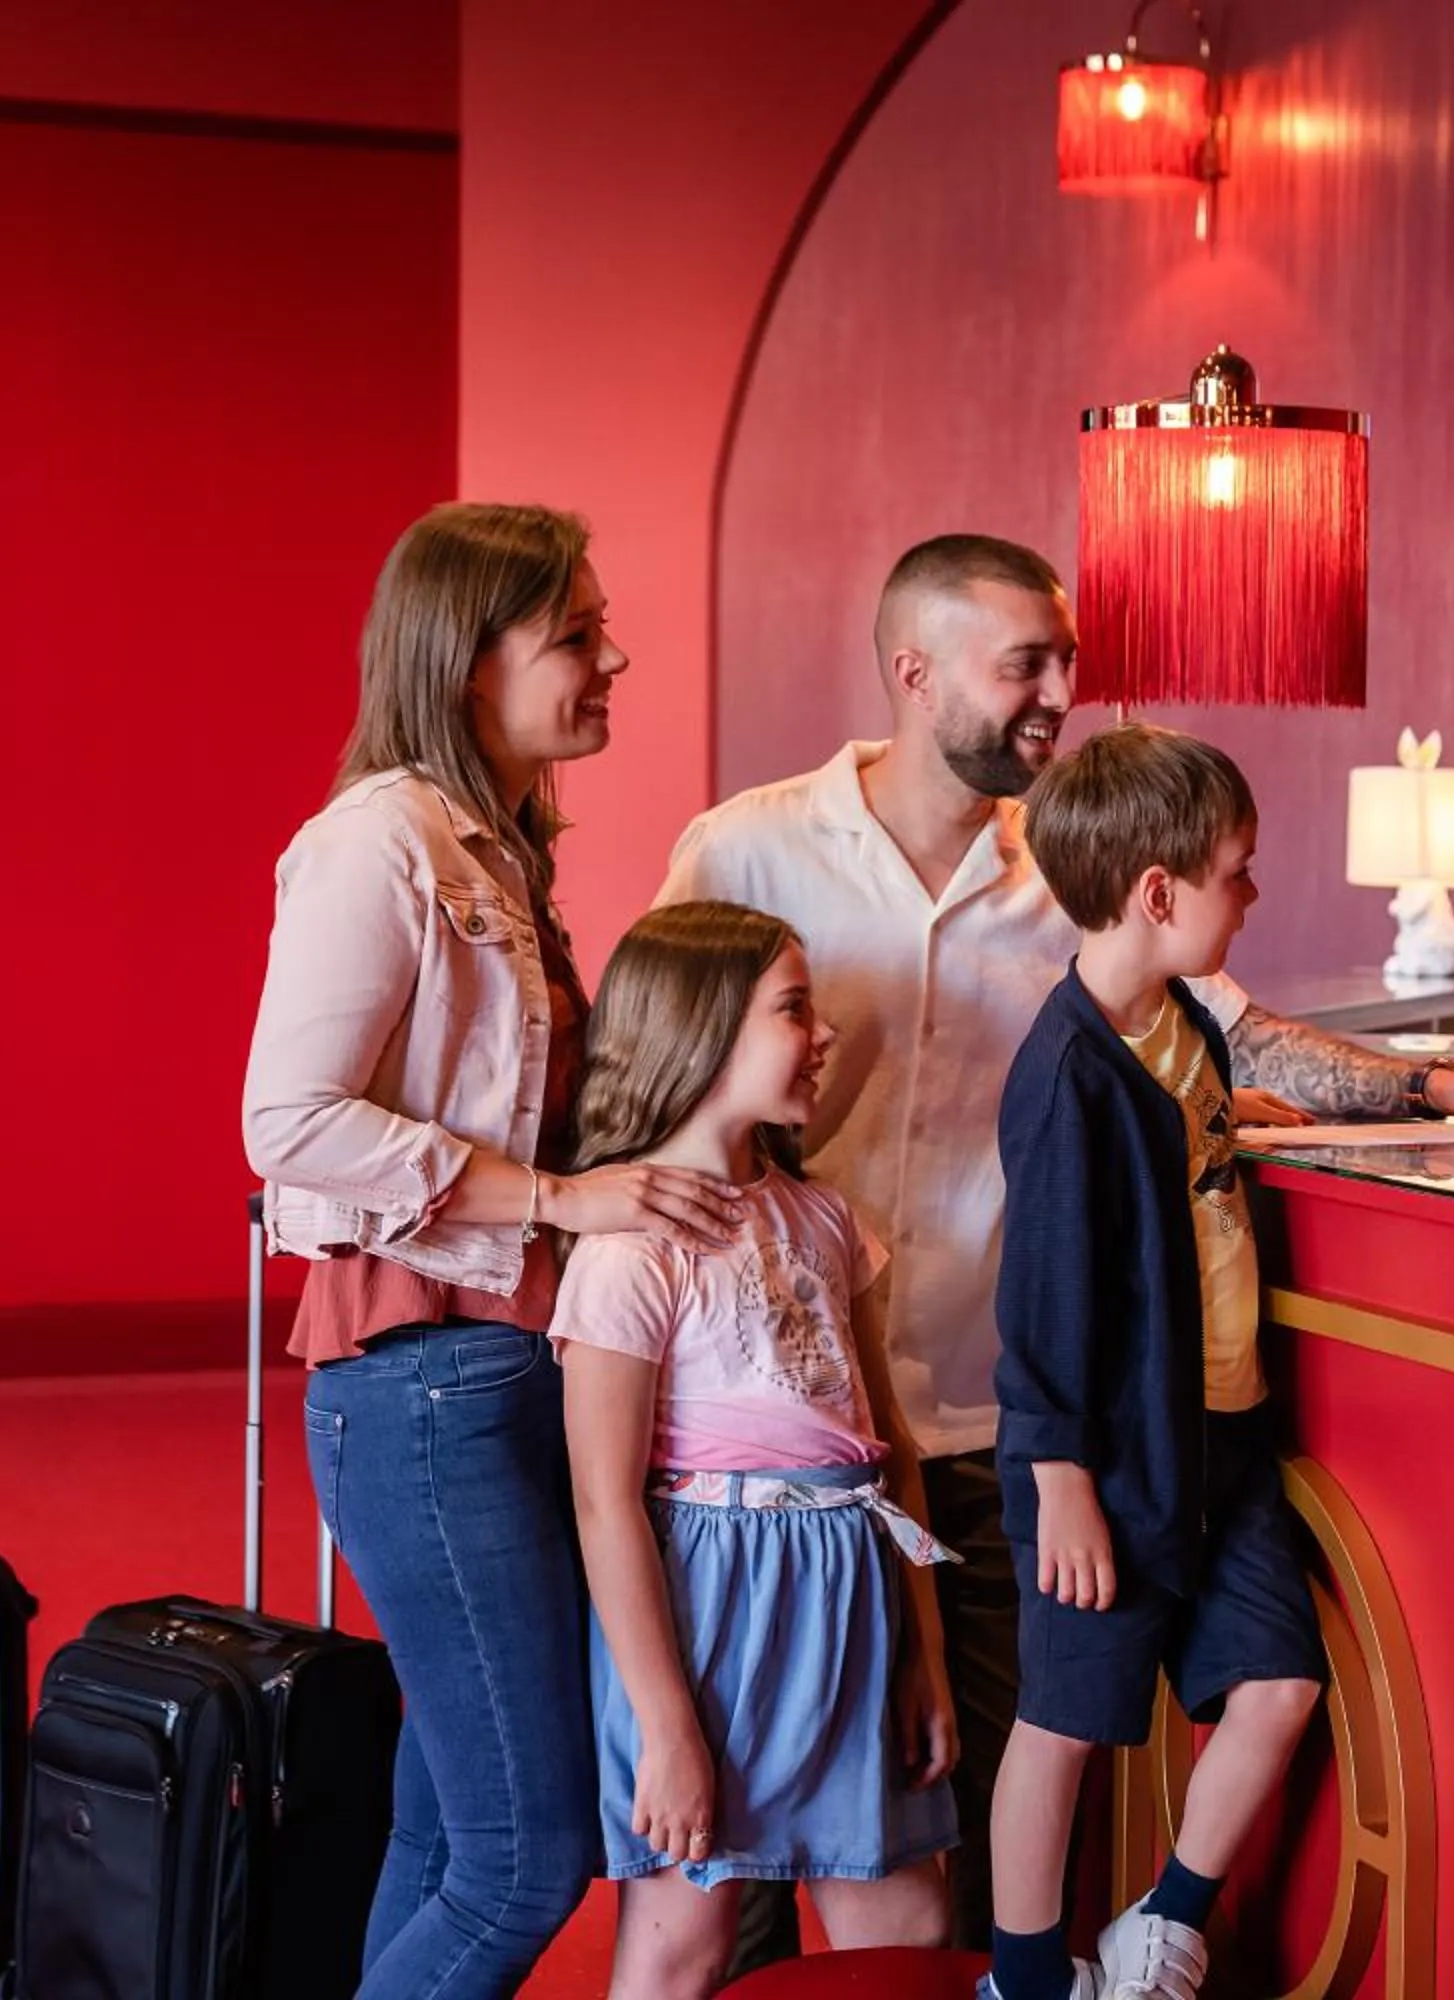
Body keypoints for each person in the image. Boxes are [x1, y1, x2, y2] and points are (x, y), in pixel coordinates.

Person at [653, 532, 1454, 1962]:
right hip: (787, 1431)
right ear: (914, 669)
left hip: (992, 1421)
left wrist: (1436, 1084)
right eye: (1027, 661)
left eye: (1067, 660)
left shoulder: (1082, 871)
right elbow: (659, 1091)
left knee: (931, 1844)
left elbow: (1238, 1039)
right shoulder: (742, 847)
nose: (1061, 691)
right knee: (730, 1878)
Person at [243, 502, 740, 1998]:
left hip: (493, 1373)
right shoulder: (380, 841)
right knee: (529, 1859)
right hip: (423, 1387)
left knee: (448, 1836)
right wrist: (551, 1197)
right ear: (469, 662)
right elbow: (287, 1123)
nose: (613, 658)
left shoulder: (502, 849)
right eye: (576, 634)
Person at [554, 902, 960, 1999]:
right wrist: (667, 1727)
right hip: (715, 1614)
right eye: (794, 1009)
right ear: (702, 1030)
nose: (823, 1033)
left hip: (853, 1596)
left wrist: (921, 1655)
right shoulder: (629, 1251)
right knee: (682, 1942)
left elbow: (896, 1455)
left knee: (911, 1924)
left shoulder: (824, 1219)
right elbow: (605, 1504)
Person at [984, 724, 1326, 2000]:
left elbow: (1196, 1151)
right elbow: (1045, 1299)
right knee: (1065, 1720)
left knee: (1281, 1680)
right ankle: (1026, 1976)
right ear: (1160, 894)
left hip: (1217, 1442)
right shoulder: (1067, 1074)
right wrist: (1060, 1475)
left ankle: (1162, 1921)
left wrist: (1250, 1116)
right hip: (1108, 1461)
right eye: (1239, 871)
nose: (1252, 892)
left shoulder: (1182, 1023)